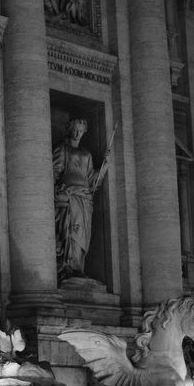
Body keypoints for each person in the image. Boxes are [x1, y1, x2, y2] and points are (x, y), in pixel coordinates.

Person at [53, 118, 110, 279]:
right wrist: (54, 194)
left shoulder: (87, 154)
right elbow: (53, 172)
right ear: (69, 129)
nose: (78, 133)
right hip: (69, 196)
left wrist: (104, 165)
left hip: (84, 199)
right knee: (71, 231)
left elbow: (92, 181)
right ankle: (68, 267)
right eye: (75, 129)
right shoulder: (62, 149)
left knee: (83, 235)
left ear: (85, 132)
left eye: (81, 130)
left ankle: (78, 266)